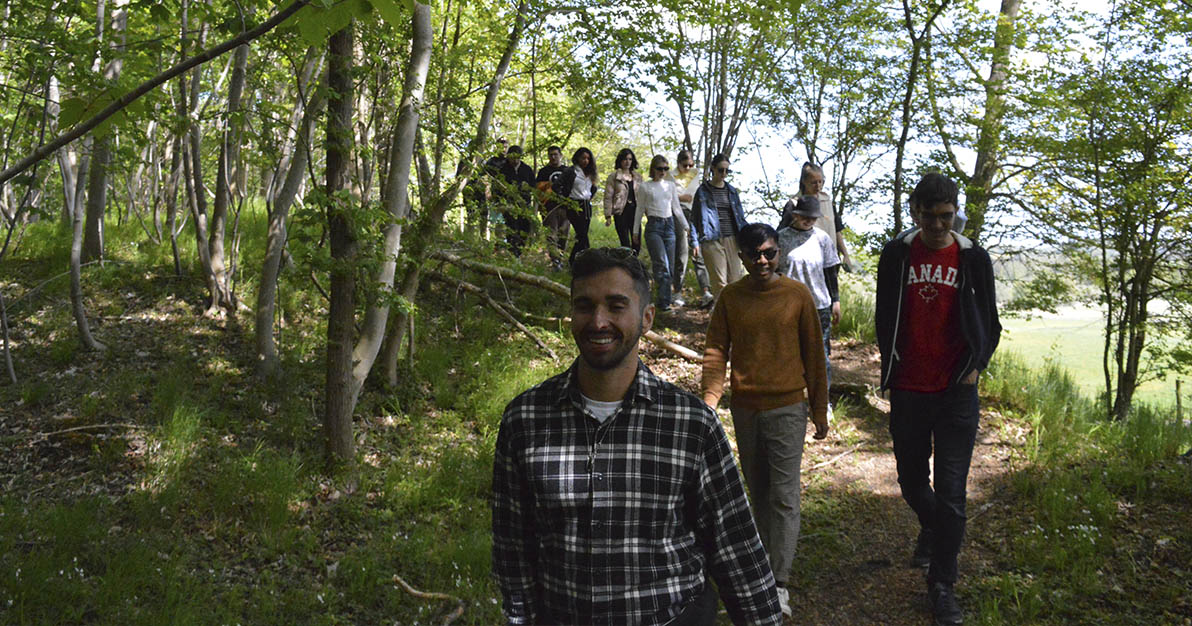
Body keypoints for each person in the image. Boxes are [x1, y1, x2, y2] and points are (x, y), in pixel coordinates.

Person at [493, 247, 783, 625]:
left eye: (616, 306)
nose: (598, 321)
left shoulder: (691, 424)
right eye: (584, 305)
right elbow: (513, 551)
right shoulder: (526, 419)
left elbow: (736, 547)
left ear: (646, 318)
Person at [875, 173, 1001, 626]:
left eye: (946, 217)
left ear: (955, 213)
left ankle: (943, 583)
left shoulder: (974, 259)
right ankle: (932, 528)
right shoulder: (897, 254)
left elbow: (991, 324)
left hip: (955, 395)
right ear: (916, 213)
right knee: (911, 481)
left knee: (952, 494)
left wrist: (974, 367)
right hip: (909, 389)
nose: (938, 226)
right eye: (929, 217)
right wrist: (888, 361)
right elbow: (884, 312)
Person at [701, 222, 830, 619]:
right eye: (754, 254)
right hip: (746, 407)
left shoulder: (797, 295)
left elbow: (814, 354)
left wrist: (819, 409)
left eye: (769, 253)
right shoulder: (731, 297)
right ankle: (760, 573)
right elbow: (716, 350)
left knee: (784, 495)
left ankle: (779, 582)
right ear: (740, 256)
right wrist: (708, 402)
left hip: (788, 407)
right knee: (757, 492)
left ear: (779, 254)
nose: (762, 261)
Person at [777, 195, 841, 392]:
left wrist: (836, 301)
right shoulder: (780, 237)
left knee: (821, 355)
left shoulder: (822, 238)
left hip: (819, 305)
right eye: (805, 216)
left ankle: (822, 400)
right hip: (787, 305)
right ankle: (792, 394)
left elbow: (830, 271)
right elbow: (771, 271)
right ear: (795, 215)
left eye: (813, 218)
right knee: (789, 352)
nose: (808, 221)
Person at [690, 153, 747, 296]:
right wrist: (694, 242)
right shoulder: (703, 191)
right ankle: (722, 315)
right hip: (711, 239)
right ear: (713, 169)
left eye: (727, 170)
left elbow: (740, 217)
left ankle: (735, 316)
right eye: (721, 170)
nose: (724, 174)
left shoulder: (732, 191)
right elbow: (694, 218)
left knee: (735, 281)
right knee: (720, 283)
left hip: (733, 239)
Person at [632, 155, 684, 310]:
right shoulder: (645, 187)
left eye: (666, 169)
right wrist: (635, 232)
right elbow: (639, 210)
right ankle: (664, 303)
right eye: (660, 168)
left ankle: (662, 297)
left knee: (670, 266)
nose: (663, 172)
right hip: (654, 226)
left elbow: (676, 208)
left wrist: (686, 226)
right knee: (661, 264)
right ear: (653, 169)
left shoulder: (670, 186)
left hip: (670, 226)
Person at [668, 150, 714, 307]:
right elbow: (668, 193)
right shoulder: (670, 175)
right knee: (681, 254)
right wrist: (681, 196)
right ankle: (677, 291)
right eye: (684, 165)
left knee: (697, 251)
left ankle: (706, 291)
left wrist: (681, 195)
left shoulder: (696, 174)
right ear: (678, 163)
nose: (687, 167)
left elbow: (694, 195)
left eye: (690, 164)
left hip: (694, 214)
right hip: (678, 213)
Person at [798, 162, 858, 273]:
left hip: (830, 262)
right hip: (807, 263)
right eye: (813, 183)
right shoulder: (794, 204)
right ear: (804, 181)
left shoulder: (828, 202)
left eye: (820, 182)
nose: (818, 186)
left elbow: (837, 230)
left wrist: (845, 255)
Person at [555, 147, 598, 266]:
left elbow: (593, 188)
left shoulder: (590, 173)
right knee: (582, 235)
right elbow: (557, 185)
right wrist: (564, 199)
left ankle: (574, 261)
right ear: (577, 158)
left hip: (586, 205)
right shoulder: (571, 171)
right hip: (573, 204)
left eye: (588, 158)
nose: (586, 160)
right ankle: (588, 259)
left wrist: (590, 197)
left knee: (582, 235)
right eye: (583, 158)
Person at [492, 144, 536, 257]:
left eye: (517, 157)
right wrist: (499, 203)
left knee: (524, 229)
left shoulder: (527, 169)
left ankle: (520, 252)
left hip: (524, 206)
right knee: (511, 229)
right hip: (508, 206)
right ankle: (513, 254)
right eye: (512, 157)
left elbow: (534, 187)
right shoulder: (502, 170)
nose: (514, 160)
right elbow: (496, 188)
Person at [536, 145, 571, 272]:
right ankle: (555, 260)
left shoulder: (567, 171)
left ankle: (560, 257)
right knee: (551, 235)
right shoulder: (543, 171)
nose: (553, 157)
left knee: (563, 235)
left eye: (556, 154)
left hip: (565, 208)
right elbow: (537, 190)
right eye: (550, 155)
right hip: (549, 208)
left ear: (561, 156)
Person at [604, 148, 643, 254]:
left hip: (635, 212)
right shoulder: (614, 177)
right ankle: (627, 264)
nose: (627, 162)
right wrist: (608, 215)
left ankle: (634, 262)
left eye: (630, 159)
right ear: (620, 161)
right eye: (625, 159)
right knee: (625, 243)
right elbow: (608, 196)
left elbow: (643, 196)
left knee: (637, 241)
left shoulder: (638, 177)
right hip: (620, 212)